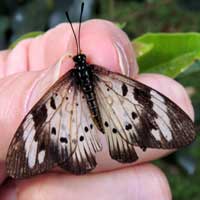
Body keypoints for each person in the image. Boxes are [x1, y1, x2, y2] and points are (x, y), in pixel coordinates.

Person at [0, 20, 194, 200]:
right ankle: (114, 139)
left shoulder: (67, 80)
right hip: (102, 104)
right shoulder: (88, 74)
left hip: (77, 109)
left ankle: (108, 142)